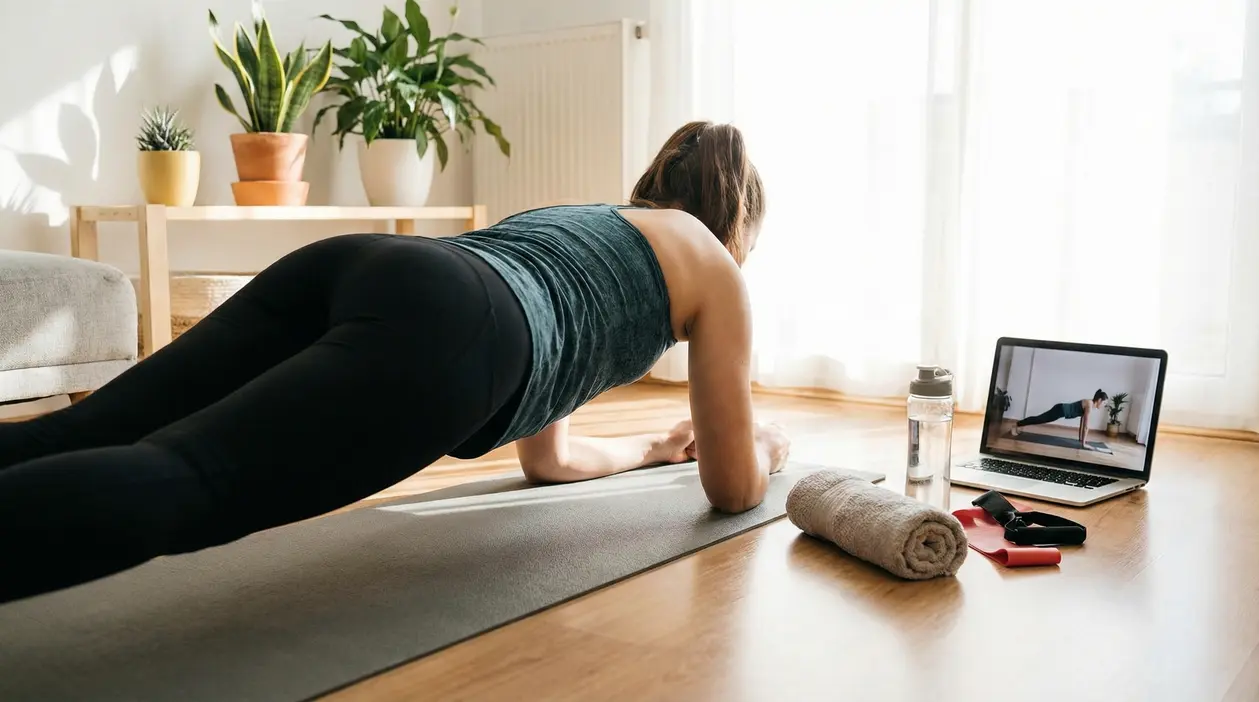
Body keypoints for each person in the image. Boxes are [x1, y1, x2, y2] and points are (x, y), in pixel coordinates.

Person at [0, 121, 789, 604]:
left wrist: (652, 448)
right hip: (458, 325)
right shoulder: (716, 271)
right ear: (736, 223)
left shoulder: (590, 223)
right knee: (188, 479)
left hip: (373, 265)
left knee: (90, 426)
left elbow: (549, 459)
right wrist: (759, 447)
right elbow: (732, 491)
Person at [1010, 389, 1109, 449]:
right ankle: (1016, 425)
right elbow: (1086, 427)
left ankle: (1018, 425)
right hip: (1060, 410)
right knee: (1039, 419)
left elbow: (1082, 423)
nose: (1104, 405)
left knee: (1039, 418)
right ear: (1099, 400)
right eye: (1104, 403)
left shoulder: (1089, 403)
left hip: (1060, 409)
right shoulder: (1089, 405)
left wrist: (1080, 440)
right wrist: (1084, 444)